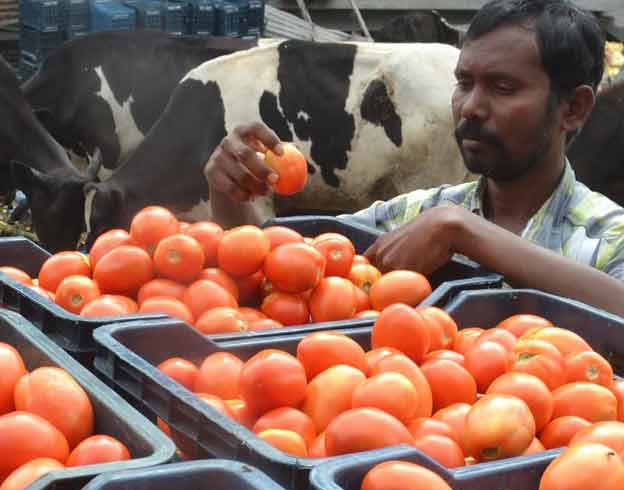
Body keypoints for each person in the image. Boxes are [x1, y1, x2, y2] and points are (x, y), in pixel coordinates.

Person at [204, 0, 624, 317]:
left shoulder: (606, 237)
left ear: (573, 109)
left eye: (503, 88)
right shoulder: (416, 215)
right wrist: (232, 194)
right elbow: (287, 274)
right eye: (464, 83)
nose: (470, 107)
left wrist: (465, 232)